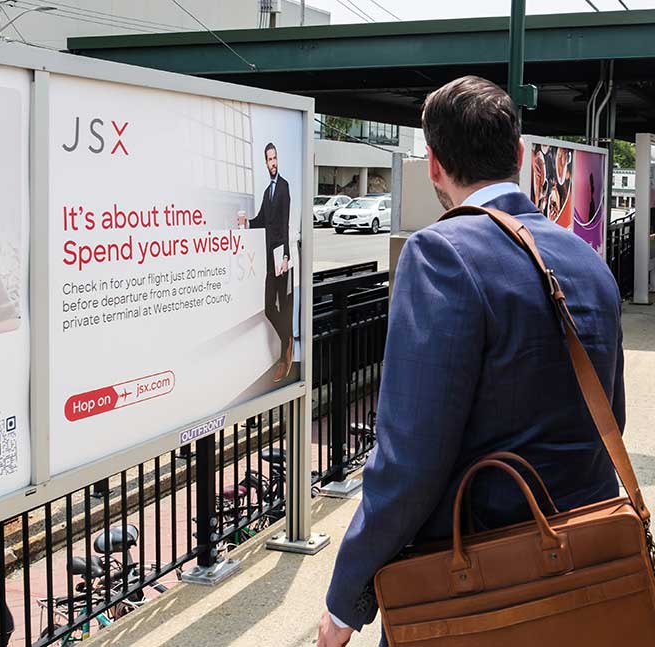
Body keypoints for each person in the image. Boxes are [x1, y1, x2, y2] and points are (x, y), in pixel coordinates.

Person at [318, 76, 626, 647]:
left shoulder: (440, 254)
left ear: (433, 165)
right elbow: (612, 419)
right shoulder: (586, 260)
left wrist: (345, 600)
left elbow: (409, 459)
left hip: (478, 584)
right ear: (517, 155)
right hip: (584, 569)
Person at [237, 143, 293, 382]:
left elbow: (285, 223)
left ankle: (284, 357)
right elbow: (262, 219)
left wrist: (287, 257)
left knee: (282, 306)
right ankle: (288, 339)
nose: (272, 163)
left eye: (274, 158)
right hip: (268, 259)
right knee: (270, 308)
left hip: (281, 257)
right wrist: (247, 223)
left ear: (277, 160)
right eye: (269, 159)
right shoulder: (266, 192)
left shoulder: (284, 187)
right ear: (265, 162)